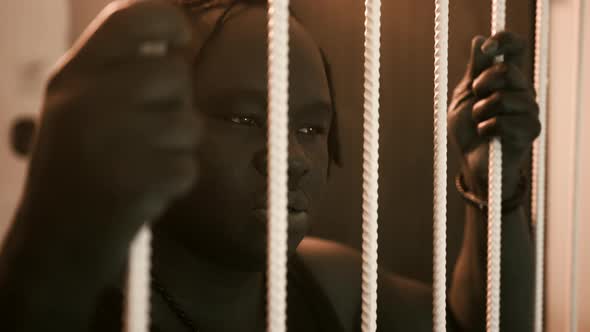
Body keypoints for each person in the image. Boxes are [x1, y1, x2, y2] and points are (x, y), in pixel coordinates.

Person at [0, 0, 540, 331]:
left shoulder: (330, 284)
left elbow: (483, 327)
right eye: (244, 118)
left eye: (310, 128)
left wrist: (490, 175)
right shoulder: (68, 295)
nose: (291, 159)